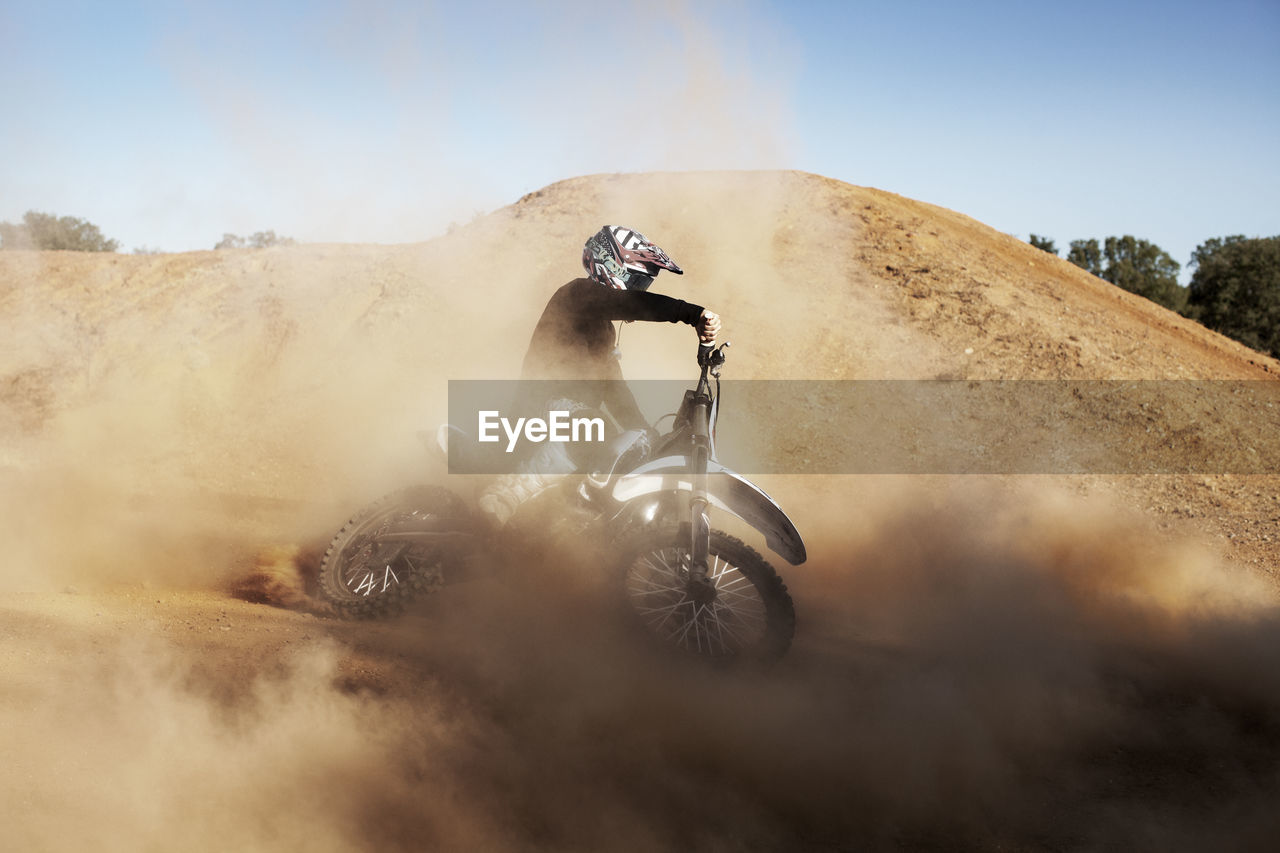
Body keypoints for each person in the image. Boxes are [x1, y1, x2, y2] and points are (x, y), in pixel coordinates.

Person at [478, 225, 720, 528]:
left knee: (626, 444)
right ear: (612, 268)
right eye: (638, 280)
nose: (640, 290)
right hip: (539, 412)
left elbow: (614, 390)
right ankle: (501, 499)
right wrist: (691, 313)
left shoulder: (602, 331)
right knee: (593, 427)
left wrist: (646, 435)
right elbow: (627, 303)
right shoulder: (577, 295)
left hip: (564, 416)